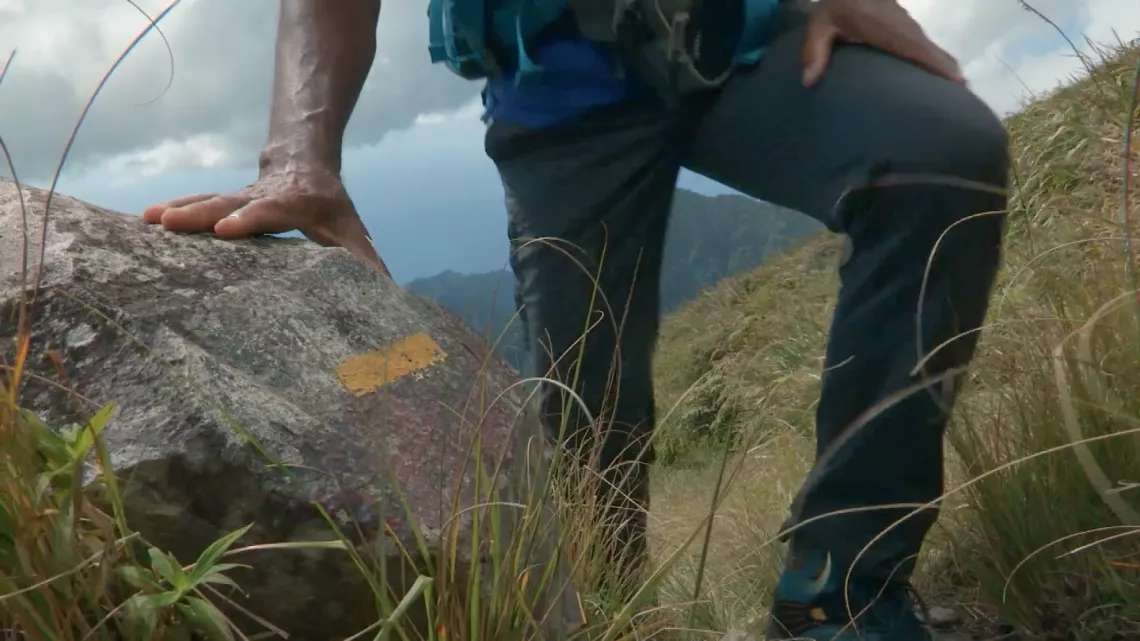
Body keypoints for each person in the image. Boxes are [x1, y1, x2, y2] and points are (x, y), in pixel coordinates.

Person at [141, 0, 1010, 638]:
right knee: (590, 421)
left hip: (742, 39)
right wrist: (298, 155)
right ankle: (618, 617)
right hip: (559, 90)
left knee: (941, 155)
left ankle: (843, 591)